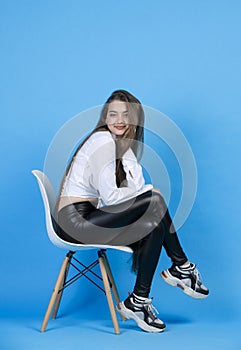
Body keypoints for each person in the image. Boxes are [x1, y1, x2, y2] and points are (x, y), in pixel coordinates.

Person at [53, 89, 209, 333]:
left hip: (88, 217)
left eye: (126, 115)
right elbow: (113, 197)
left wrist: (127, 151)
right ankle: (182, 266)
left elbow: (133, 190)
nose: (119, 120)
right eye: (112, 114)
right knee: (154, 201)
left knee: (154, 222)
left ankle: (138, 300)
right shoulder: (101, 141)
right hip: (75, 220)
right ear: (105, 117)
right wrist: (149, 193)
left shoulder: (118, 146)